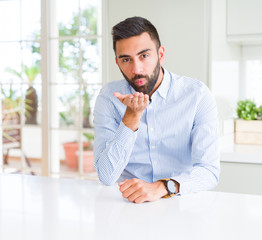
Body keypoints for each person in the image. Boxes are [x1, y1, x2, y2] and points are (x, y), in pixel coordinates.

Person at [93, 16, 220, 204]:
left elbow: (209, 171)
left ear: (160, 54)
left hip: (180, 201)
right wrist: (131, 118)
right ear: (117, 62)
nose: (137, 68)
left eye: (144, 56)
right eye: (126, 59)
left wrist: (162, 187)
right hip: (128, 205)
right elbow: (106, 176)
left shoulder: (197, 95)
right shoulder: (108, 97)